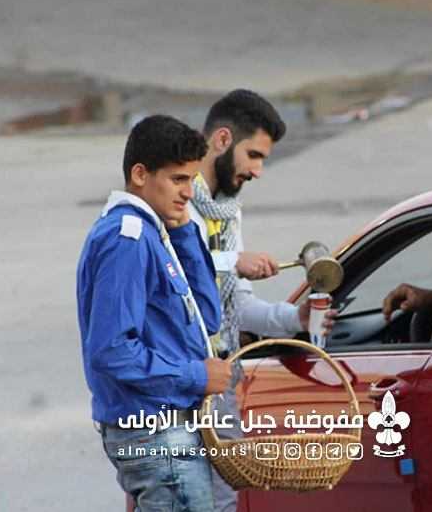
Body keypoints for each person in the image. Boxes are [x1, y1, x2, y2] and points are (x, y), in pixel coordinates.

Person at [188, 89, 336, 512]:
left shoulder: (228, 210)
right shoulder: (177, 198)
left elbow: (238, 308)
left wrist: (296, 318)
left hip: (221, 380)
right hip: (177, 382)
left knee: (222, 501)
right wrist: (231, 262)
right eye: (253, 155)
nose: (258, 171)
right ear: (222, 140)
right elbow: (168, 272)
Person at [76, 115, 233, 512]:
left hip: (168, 428)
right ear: (140, 174)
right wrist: (197, 376)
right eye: (178, 179)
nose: (188, 193)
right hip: (155, 431)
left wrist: (183, 232)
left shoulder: (154, 230)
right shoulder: (126, 238)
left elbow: (206, 319)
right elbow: (111, 349)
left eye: (191, 180)